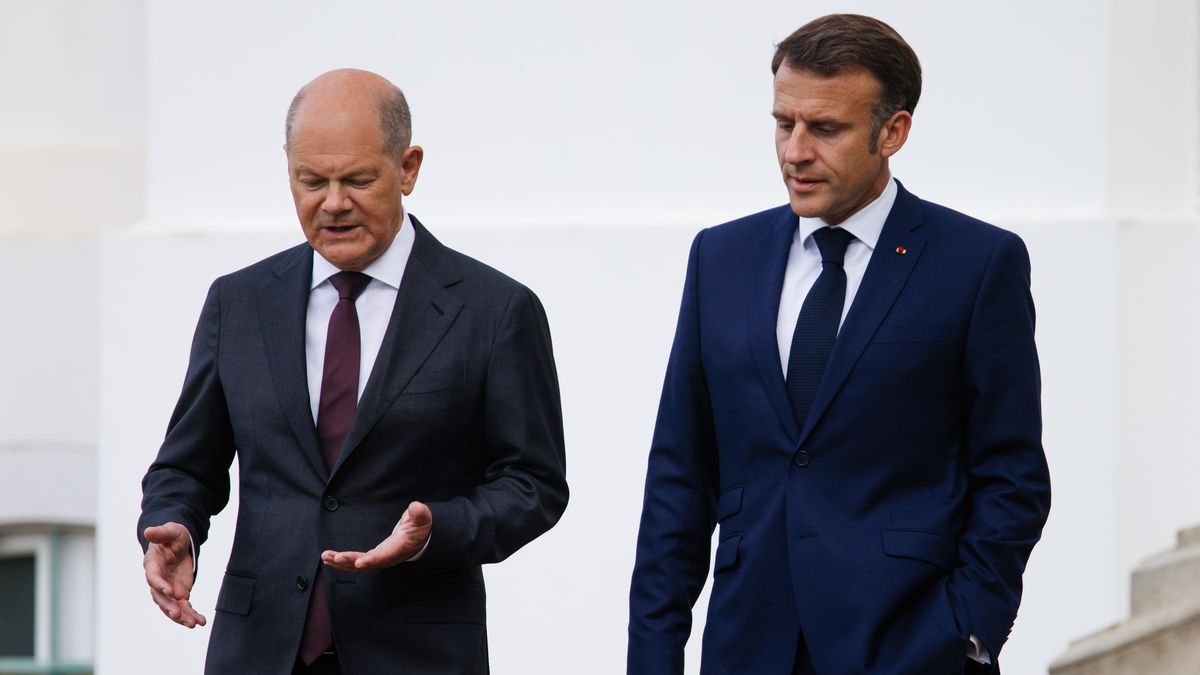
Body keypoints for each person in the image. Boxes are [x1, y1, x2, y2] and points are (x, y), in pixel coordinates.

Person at [627, 14, 1050, 675]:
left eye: (824, 128)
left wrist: (968, 630)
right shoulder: (720, 257)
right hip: (748, 645)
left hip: (911, 646)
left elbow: (1012, 476)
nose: (795, 150)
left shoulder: (978, 262)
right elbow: (680, 477)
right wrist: (652, 658)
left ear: (894, 131)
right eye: (783, 122)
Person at [138, 68, 568, 675]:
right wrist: (173, 523)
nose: (333, 203)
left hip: (419, 653)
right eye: (310, 181)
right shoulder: (238, 303)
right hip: (259, 651)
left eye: (358, 180)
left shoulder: (494, 310)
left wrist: (438, 529)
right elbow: (186, 465)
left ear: (408, 168)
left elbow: (534, 486)